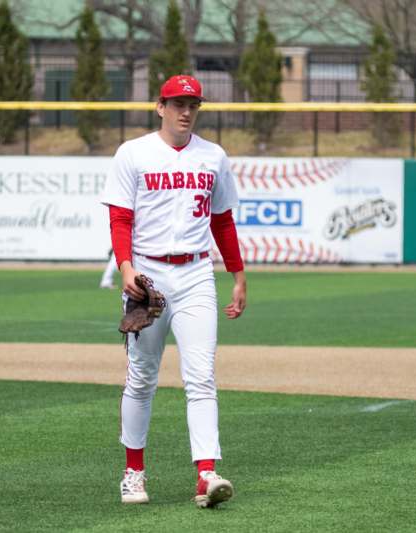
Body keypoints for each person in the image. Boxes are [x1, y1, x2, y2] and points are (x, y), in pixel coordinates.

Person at [100, 75, 246, 508]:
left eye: (193, 104)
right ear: (159, 106)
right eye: (178, 103)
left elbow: (222, 221)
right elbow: (121, 218)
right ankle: (133, 472)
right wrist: (125, 266)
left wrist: (238, 275)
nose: (186, 111)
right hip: (148, 276)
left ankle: (206, 474)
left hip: (197, 273)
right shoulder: (134, 153)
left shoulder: (213, 157)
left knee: (201, 377)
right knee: (142, 377)